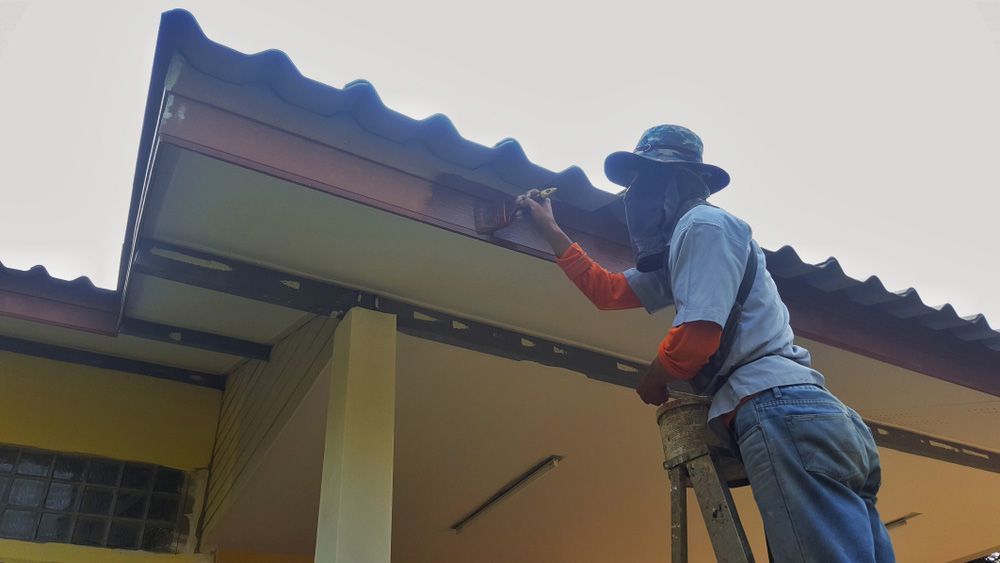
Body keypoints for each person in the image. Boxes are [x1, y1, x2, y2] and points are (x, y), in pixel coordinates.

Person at [516, 124, 895, 562]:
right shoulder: (689, 246)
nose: (634, 195)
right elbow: (610, 292)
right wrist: (550, 228)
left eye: (645, 180)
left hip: (780, 409)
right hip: (815, 419)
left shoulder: (702, 226)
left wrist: (654, 380)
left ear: (679, 182)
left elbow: (696, 338)